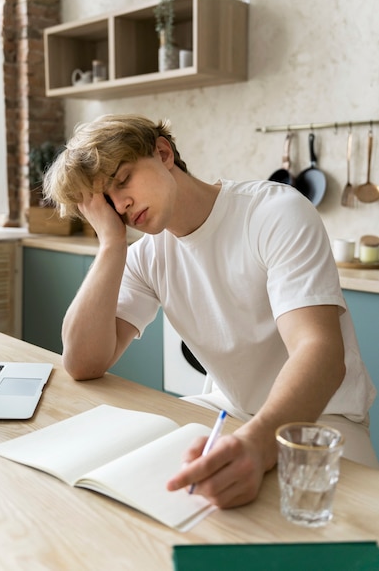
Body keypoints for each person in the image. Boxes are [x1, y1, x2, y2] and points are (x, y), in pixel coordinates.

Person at [43, 113, 378, 509]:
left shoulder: (275, 213)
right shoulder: (145, 254)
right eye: (108, 202)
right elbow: (82, 362)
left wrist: (257, 443)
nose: (122, 204)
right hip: (227, 410)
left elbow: (319, 353)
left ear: (164, 153)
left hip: (323, 419)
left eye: (122, 180)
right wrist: (111, 243)